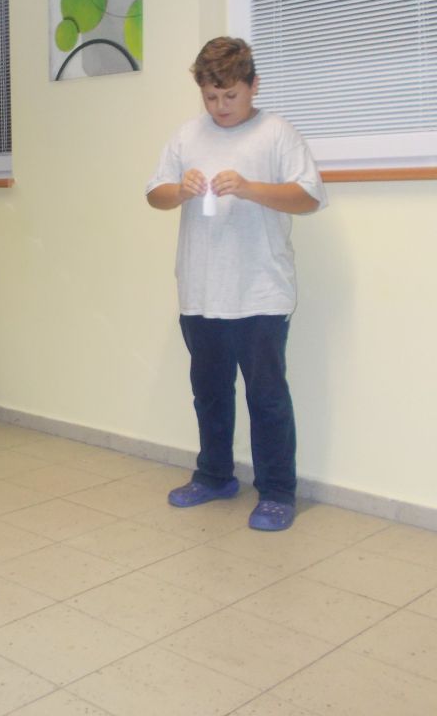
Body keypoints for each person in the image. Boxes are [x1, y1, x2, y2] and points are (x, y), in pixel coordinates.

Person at [146, 37, 326, 532]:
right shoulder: (186, 136)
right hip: (200, 291)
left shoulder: (278, 134)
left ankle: (277, 492)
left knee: (266, 397)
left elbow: (309, 198)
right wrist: (178, 191)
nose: (220, 106)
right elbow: (155, 194)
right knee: (209, 392)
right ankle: (214, 476)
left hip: (261, 291)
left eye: (230, 95)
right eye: (211, 97)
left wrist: (248, 188)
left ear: (253, 85)